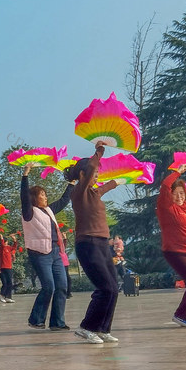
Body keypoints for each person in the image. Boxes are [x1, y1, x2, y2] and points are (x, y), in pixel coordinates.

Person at [67, 144, 121, 344]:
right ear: (83, 175)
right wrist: (99, 151)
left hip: (101, 244)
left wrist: (116, 182)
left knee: (114, 288)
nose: (97, 176)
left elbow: (102, 189)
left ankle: (103, 329)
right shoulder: (79, 191)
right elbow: (90, 169)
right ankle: (86, 327)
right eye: (94, 173)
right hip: (88, 244)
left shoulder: (92, 193)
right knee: (105, 288)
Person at [21, 162, 74, 331]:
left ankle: (57, 322)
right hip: (39, 253)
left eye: (45, 194)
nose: (45, 196)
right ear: (34, 198)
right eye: (42, 194)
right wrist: (25, 175)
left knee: (62, 286)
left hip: (55, 251)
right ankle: (36, 319)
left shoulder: (49, 210)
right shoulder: (29, 212)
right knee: (48, 286)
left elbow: (65, 200)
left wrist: (71, 183)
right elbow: (23, 196)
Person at [156, 165, 186, 328]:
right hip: (176, 252)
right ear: (170, 195)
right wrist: (178, 172)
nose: (179, 196)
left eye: (182, 193)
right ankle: (183, 316)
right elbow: (165, 185)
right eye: (176, 193)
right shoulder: (166, 207)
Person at [0, 232, 19, 304]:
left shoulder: (8, 248)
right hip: (4, 267)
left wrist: (14, 239)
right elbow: (2, 243)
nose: (6, 243)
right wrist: (1, 237)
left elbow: (14, 247)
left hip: (9, 267)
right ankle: (2, 295)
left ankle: (8, 297)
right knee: (8, 283)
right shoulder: (2, 248)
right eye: (5, 241)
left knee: (9, 283)